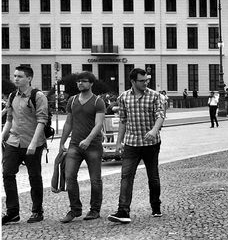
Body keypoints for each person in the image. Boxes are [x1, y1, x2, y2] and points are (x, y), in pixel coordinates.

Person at [109, 68, 166, 224]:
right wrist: (118, 142)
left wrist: (154, 130)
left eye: (146, 80)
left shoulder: (155, 96)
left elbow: (160, 115)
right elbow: (123, 121)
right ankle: (123, 211)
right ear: (133, 81)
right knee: (126, 176)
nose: (145, 83)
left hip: (151, 143)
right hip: (131, 143)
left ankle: (156, 206)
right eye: (142, 81)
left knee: (153, 176)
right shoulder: (124, 98)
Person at [1, 64, 50, 224]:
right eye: (15, 76)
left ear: (29, 78)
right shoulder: (12, 96)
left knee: (34, 176)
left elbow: (42, 121)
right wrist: (2, 137)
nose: (16, 78)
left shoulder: (38, 96)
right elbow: (9, 119)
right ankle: (13, 212)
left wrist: (33, 144)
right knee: (8, 174)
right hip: (13, 141)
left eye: (19, 76)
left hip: (33, 142)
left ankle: (37, 211)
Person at [56, 72, 106, 222]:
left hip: (93, 146)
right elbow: (69, 123)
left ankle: (94, 210)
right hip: (75, 145)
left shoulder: (98, 101)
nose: (80, 84)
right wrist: (61, 143)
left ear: (91, 84)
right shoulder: (72, 100)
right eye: (78, 82)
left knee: (95, 179)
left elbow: (99, 124)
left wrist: (88, 139)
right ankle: (75, 210)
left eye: (84, 81)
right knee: (70, 176)